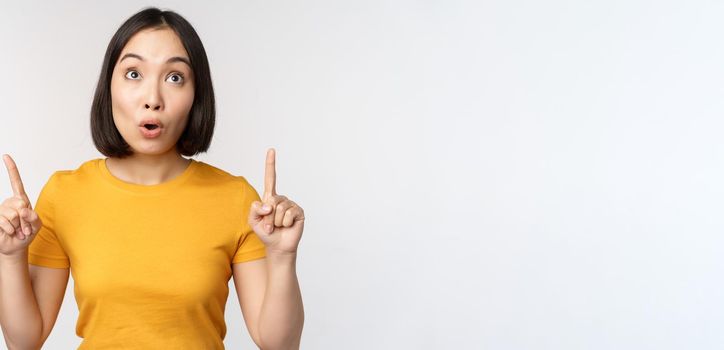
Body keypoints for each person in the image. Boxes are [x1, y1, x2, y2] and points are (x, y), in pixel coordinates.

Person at [0, 7, 305, 349]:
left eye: (175, 77)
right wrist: (10, 258)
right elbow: (24, 341)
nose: (153, 99)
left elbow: (278, 344)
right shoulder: (65, 194)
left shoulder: (236, 198)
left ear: (196, 96)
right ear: (108, 87)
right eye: (133, 73)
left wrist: (282, 258)